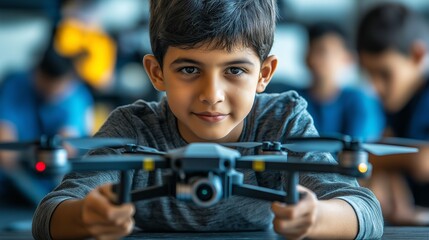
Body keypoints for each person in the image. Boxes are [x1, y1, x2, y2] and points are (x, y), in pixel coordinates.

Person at [32, 1, 383, 239]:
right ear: (156, 72)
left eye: (235, 70)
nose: (211, 94)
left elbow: (365, 210)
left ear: (264, 74)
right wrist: (85, 217)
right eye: (188, 69)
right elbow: (49, 214)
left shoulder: (284, 120)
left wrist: (316, 218)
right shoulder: (132, 128)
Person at [357, 2, 429, 225]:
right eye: (370, 75)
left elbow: (423, 162)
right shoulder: (398, 104)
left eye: (385, 74)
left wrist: (374, 158)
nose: (376, 87)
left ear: (417, 55)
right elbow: (384, 145)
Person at [0, 45, 94, 205]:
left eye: (58, 88)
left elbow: (69, 142)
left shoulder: (77, 97)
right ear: (36, 74)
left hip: (56, 184)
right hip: (14, 182)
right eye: (48, 86)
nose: (54, 92)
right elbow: (5, 142)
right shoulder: (16, 85)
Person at [298, 22, 384, 141]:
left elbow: (361, 148)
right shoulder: (296, 101)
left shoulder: (360, 101)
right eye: (311, 50)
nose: (314, 59)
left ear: (348, 58)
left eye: (323, 52)